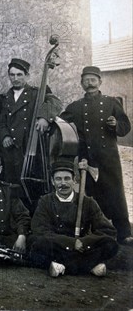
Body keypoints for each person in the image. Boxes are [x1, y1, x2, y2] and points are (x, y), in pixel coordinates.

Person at [60, 66, 132, 245]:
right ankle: (96, 231)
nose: (89, 83)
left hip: (109, 158)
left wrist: (116, 123)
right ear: (81, 83)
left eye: (93, 80)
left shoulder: (111, 102)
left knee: (116, 194)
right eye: (86, 80)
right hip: (87, 159)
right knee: (92, 195)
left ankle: (124, 233)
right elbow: (60, 122)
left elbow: (126, 126)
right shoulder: (75, 107)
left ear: (100, 82)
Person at [29, 159, 119, 277]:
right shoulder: (45, 201)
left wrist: (84, 242)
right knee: (36, 243)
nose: (63, 183)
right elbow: (39, 229)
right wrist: (71, 243)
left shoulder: (88, 202)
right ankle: (89, 267)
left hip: (83, 249)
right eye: (58, 179)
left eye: (67, 178)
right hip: (58, 246)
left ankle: (60, 266)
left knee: (110, 244)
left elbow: (108, 230)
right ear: (52, 181)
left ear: (74, 180)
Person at [0, 58, 62, 191]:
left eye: (19, 74)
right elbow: (1, 123)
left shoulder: (37, 93)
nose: (15, 78)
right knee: (13, 187)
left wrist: (44, 117)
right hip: (11, 151)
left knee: (32, 188)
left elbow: (55, 102)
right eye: (12, 75)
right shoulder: (6, 97)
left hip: (30, 149)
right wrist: (4, 136)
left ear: (27, 76)